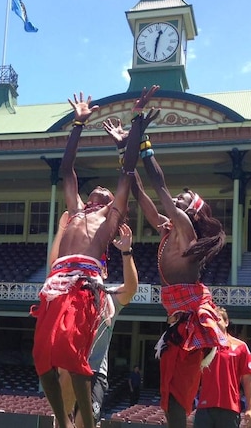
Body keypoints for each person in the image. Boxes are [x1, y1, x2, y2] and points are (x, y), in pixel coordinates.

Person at [31, 88, 155, 428]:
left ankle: (84, 421)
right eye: (94, 192)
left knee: (73, 359)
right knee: (42, 358)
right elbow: (67, 170)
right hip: (56, 284)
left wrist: (135, 125)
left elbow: (127, 172)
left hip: (83, 285)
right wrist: (77, 125)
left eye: (103, 193)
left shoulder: (110, 218)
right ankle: (63, 422)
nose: (96, 191)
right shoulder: (74, 213)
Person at [126, 88, 229, 428]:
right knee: (170, 393)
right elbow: (142, 195)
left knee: (177, 395)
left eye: (183, 199)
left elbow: (158, 184)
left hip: (189, 319)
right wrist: (125, 145)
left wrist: (143, 140)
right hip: (178, 318)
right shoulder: (171, 230)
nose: (177, 201)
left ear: (191, 211)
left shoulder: (185, 228)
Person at [58, 224, 139, 427]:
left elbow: (130, 288)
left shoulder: (110, 297)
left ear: (102, 271)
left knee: (85, 423)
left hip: (95, 374)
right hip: (68, 370)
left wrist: (127, 252)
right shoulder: (70, 294)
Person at [194, 307, 251, 428]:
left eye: (218, 319)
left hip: (230, 408)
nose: (215, 323)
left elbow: (248, 379)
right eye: (211, 320)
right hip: (204, 407)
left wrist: (250, 409)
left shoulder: (241, 347)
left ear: (226, 322)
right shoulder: (202, 347)